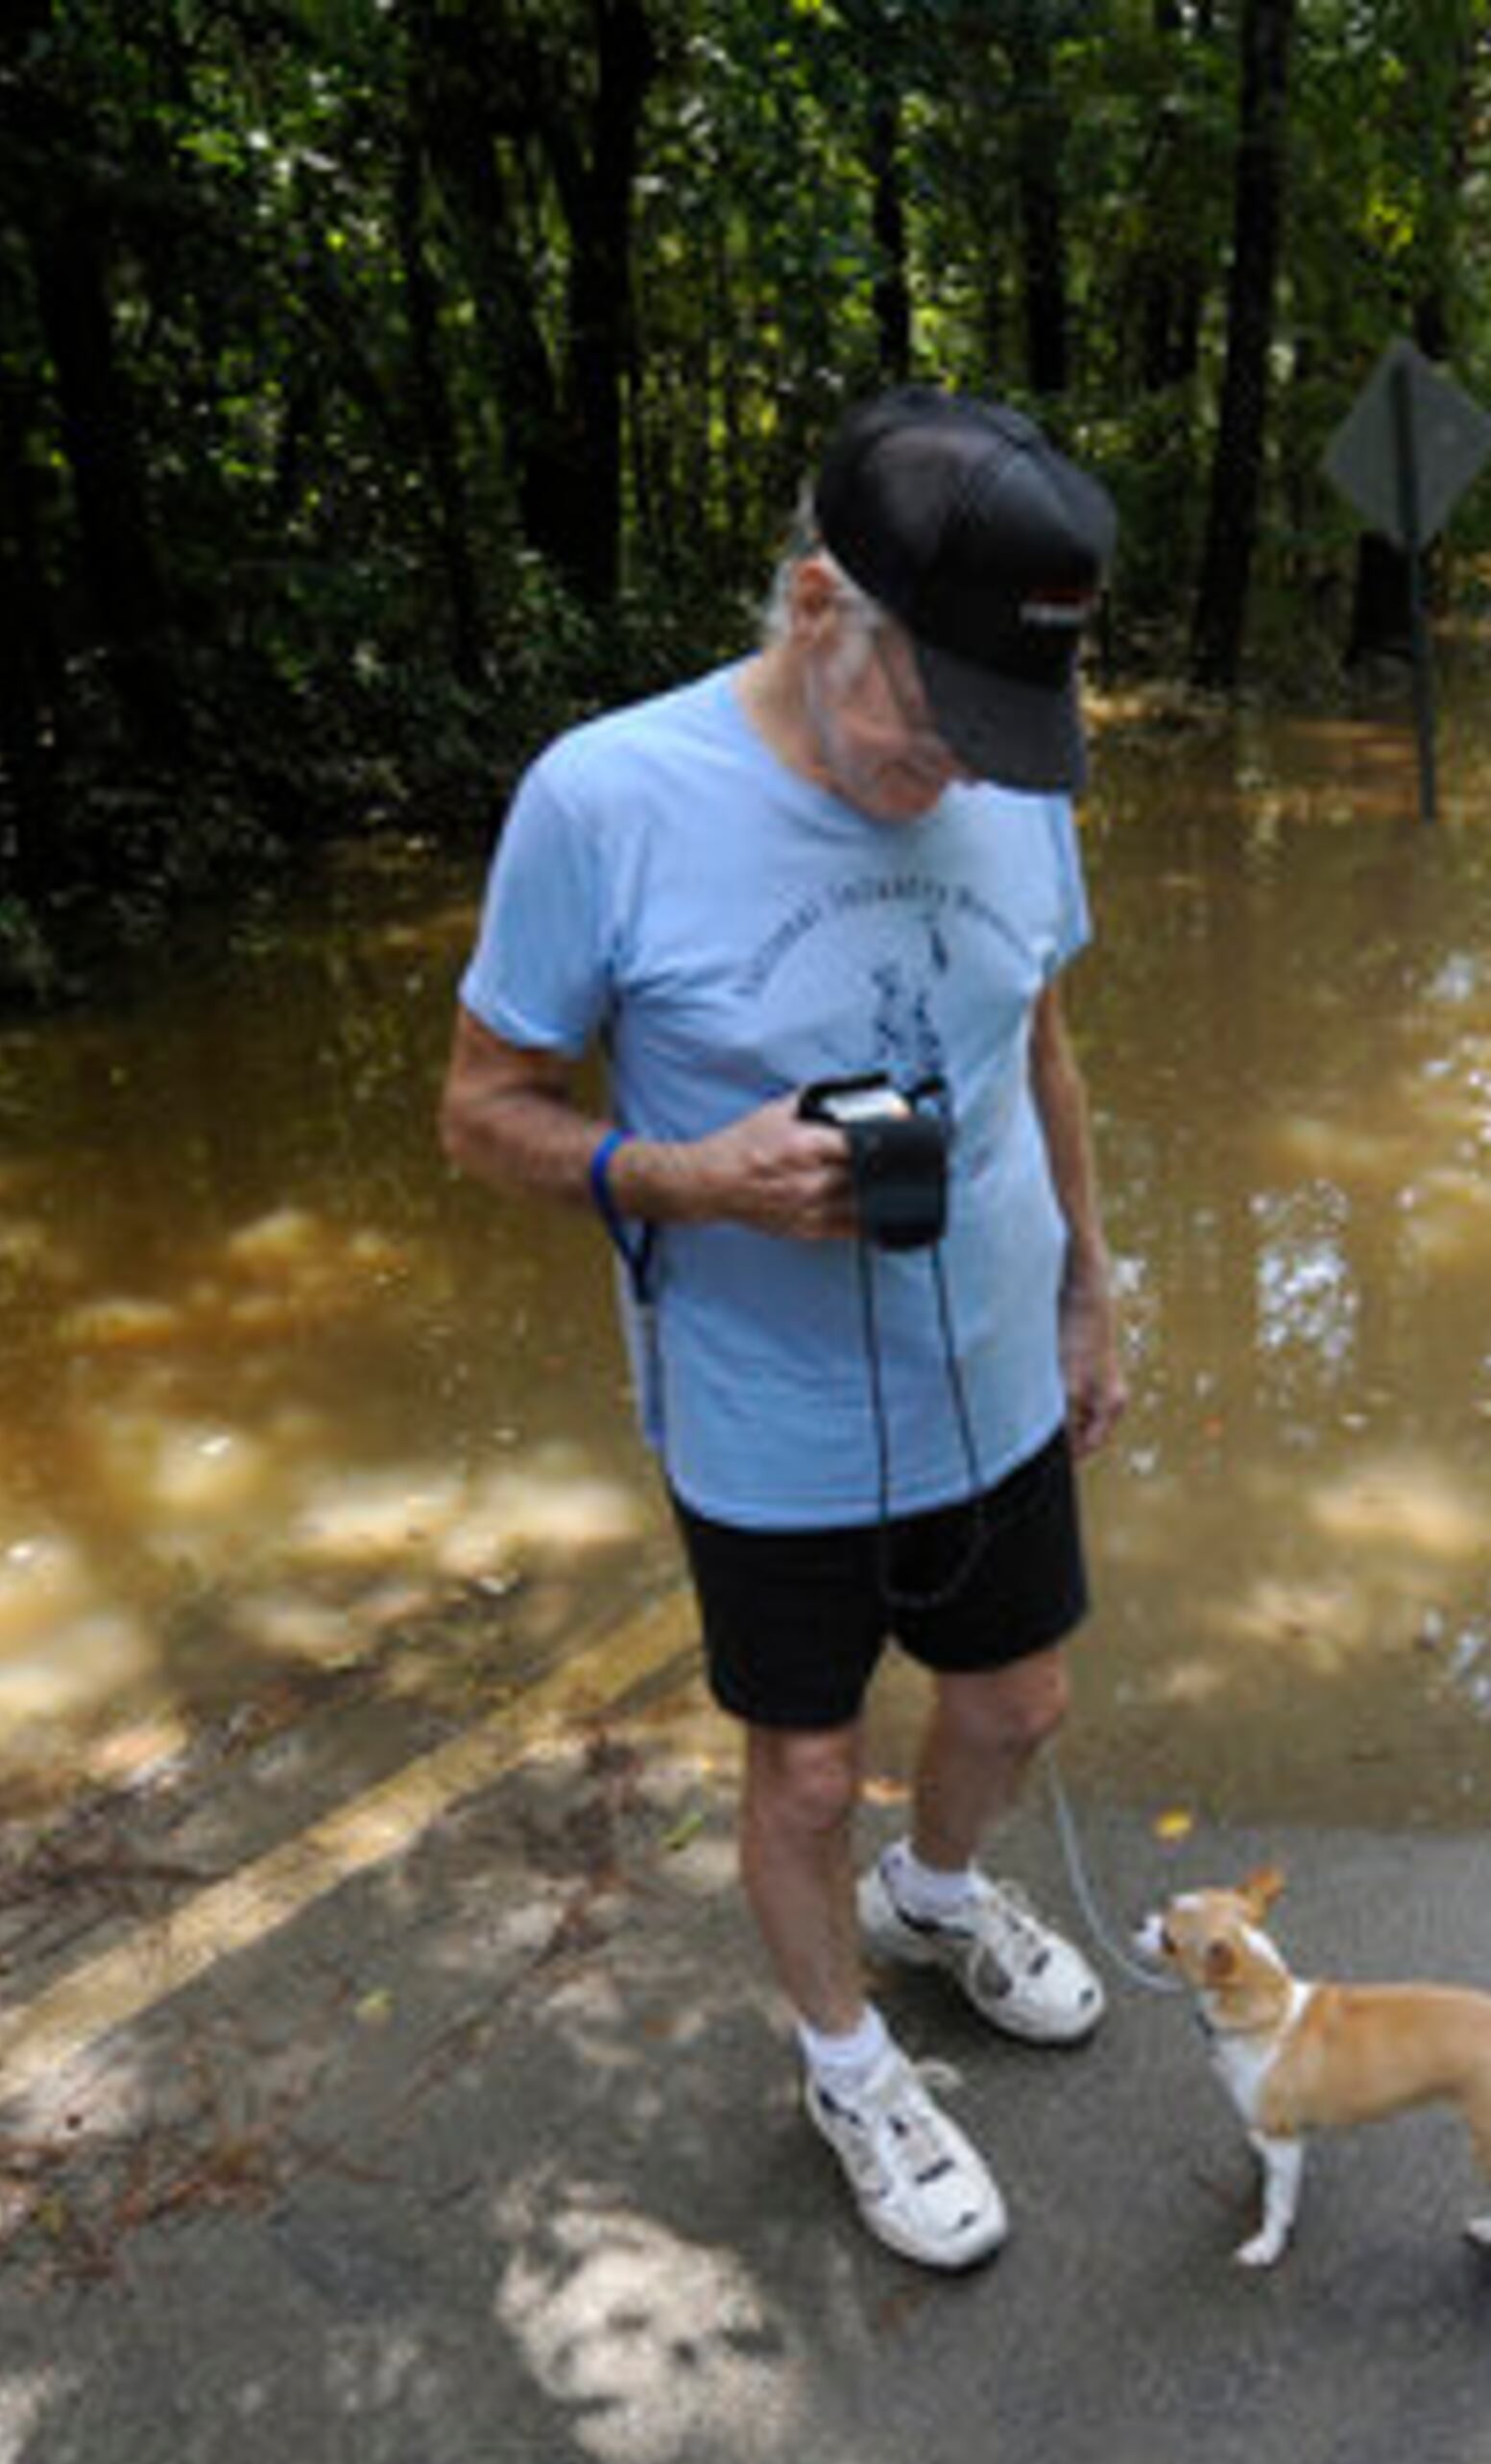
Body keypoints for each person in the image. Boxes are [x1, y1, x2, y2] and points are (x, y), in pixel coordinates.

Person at [438, 386, 1128, 2271]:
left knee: (1018, 1701)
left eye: (1008, 732)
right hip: (765, 1401)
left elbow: (1040, 1042)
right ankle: (847, 2065)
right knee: (805, 1769)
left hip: (993, 1359)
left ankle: (939, 1896)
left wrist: (1085, 1283)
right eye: (935, 719)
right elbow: (479, 1109)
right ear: (822, 607)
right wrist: (690, 1177)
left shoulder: (1012, 779)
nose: (960, 775)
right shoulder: (608, 797)